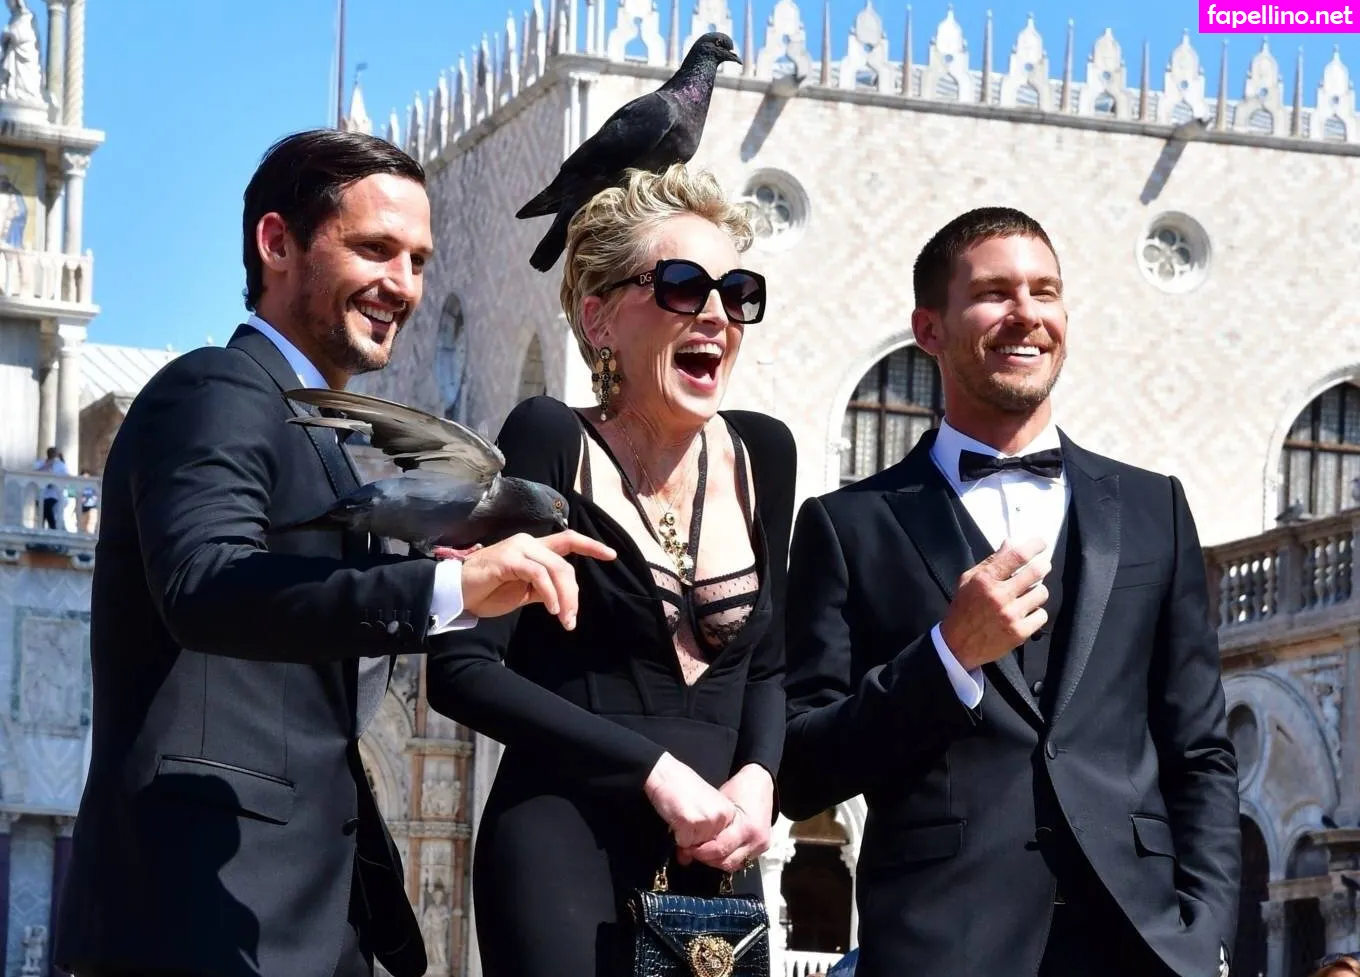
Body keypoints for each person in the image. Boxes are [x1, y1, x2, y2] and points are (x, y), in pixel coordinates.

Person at [54, 129, 614, 977]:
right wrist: (446, 587)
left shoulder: (312, 431)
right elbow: (203, 584)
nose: (405, 285)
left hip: (297, 922)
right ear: (276, 243)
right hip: (200, 919)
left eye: (418, 260)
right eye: (375, 249)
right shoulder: (215, 389)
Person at [778, 206, 1240, 977]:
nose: (1026, 313)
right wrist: (946, 656)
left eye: (1045, 291)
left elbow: (1200, 750)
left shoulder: (1155, 507)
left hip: (1142, 947)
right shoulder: (847, 526)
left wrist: (1206, 936)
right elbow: (801, 768)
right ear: (929, 329)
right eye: (995, 292)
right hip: (941, 946)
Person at [424, 164, 797, 977]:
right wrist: (653, 771)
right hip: (562, 852)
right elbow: (460, 670)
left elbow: (768, 668)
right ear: (598, 318)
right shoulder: (549, 439)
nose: (715, 314)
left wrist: (760, 777)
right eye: (682, 286)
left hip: (716, 861)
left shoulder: (764, 455)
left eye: (736, 292)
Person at [33, 446, 68, 530]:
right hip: (41, 493)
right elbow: (35, 473)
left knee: (48, 509)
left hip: (53, 494)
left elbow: (65, 478)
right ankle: (46, 530)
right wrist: (48, 465)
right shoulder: (40, 463)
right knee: (42, 514)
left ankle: (53, 528)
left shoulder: (60, 465)